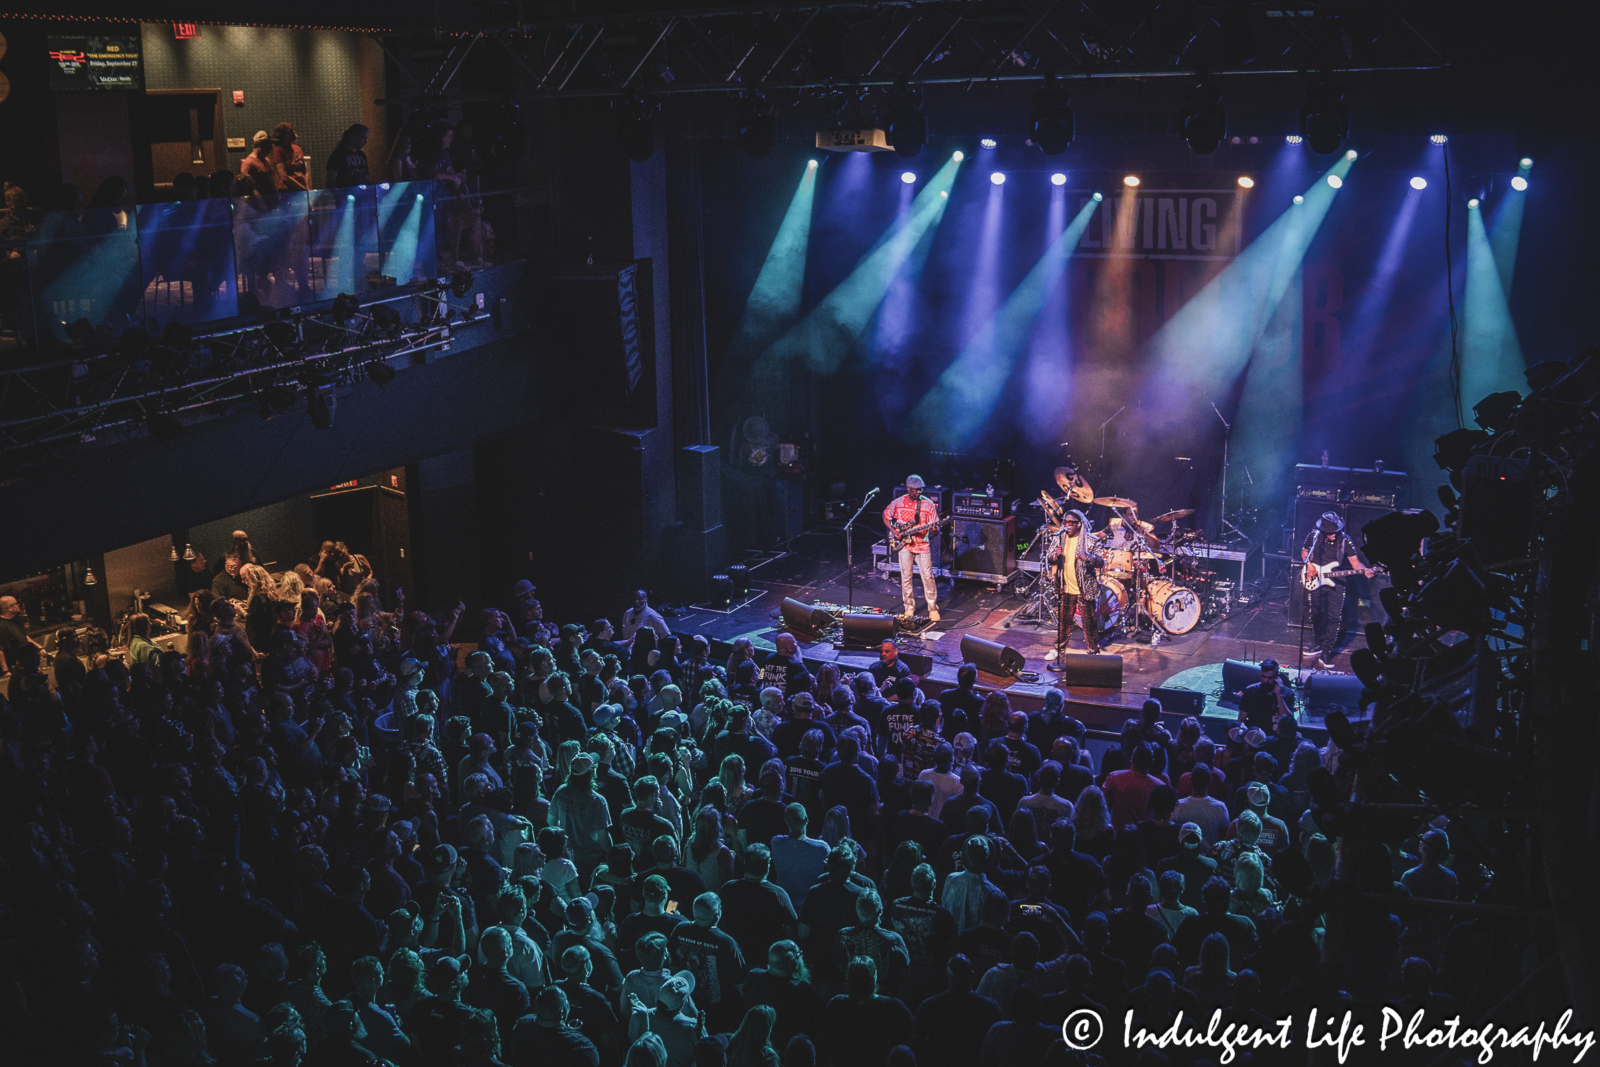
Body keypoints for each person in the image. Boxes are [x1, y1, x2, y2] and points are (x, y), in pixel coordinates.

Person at [1300, 512, 1373, 667]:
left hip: (1337, 583)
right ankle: (1318, 643)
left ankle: (1326, 652)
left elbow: (1355, 564)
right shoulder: (1314, 536)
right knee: (1315, 614)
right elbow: (1305, 551)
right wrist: (1309, 564)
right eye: (1329, 532)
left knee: (1334, 617)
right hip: (1316, 580)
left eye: (1335, 531)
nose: (1333, 534)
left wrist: (1366, 570)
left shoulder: (1345, 540)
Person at [1046, 509, 1103, 663]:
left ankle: (1093, 651)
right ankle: (1059, 649)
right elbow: (1049, 558)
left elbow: (1101, 561)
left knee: (1089, 623)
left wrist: (1088, 557)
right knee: (1063, 622)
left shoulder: (1091, 541)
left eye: (1071, 523)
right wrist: (1055, 556)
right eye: (1065, 522)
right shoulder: (1059, 538)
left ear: (1079, 524)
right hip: (1065, 587)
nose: (1067, 525)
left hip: (1084, 589)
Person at [881, 476, 941, 622]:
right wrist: (893, 530)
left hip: (922, 545)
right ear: (908, 488)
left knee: (928, 577)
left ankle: (932, 608)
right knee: (906, 577)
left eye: (921, 489)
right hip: (905, 545)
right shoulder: (898, 503)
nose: (919, 492)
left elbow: (935, 531)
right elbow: (885, 516)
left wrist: (933, 529)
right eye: (916, 489)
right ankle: (909, 607)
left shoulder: (928, 504)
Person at [1238, 659, 1296, 734]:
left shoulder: (1287, 693)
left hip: (1276, 736)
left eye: (1270, 678)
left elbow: (1288, 721)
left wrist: (1279, 695)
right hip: (1254, 735)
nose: (1266, 681)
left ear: (1277, 677)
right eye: (1263, 677)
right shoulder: (1251, 691)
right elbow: (1241, 719)